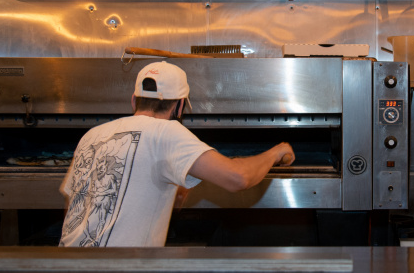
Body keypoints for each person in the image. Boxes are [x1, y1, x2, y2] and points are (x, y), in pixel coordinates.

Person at [59, 61, 295, 247]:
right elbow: (238, 177)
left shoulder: (92, 135)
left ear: (134, 100)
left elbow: (74, 205)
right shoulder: (166, 131)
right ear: (180, 106)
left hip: (63, 271)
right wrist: (277, 151)